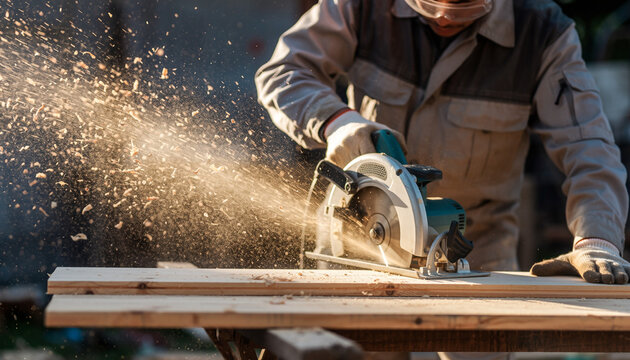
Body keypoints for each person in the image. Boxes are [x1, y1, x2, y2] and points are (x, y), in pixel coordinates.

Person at [255, 0, 630, 284]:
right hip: (363, 230)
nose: (445, 19)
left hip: (475, 243)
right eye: (431, 6)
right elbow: (283, 71)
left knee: (482, 351)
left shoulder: (542, 31)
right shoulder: (362, 7)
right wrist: (336, 122)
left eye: (464, 10)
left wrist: (596, 239)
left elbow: (588, 145)